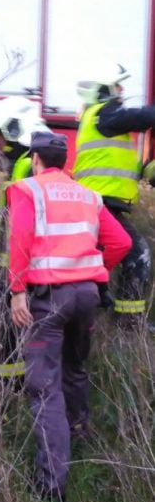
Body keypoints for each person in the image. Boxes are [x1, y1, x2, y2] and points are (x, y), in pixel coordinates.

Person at [7, 131, 132, 502]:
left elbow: (19, 239)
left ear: (35, 159)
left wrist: (17, 292)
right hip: (86, 296)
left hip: (49, 299)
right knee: (75, 370)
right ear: (65, 161)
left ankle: (51, 486)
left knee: (44, 389)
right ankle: (79, 437)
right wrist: (97, 269)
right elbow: (121, 242)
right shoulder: (88, 195)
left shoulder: (28, 190)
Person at [73, 65, 155, 329]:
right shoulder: (104, 114)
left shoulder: (101, 121)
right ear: (104, 90)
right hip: (100, 203)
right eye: (118, 88)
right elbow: (143, 116)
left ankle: (97, 309)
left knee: (101, 258)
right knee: (137, 253)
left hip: (100, 203)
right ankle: (128, 322)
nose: (122, 94)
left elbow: (123, 166)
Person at [0, 97, 52, 386]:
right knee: (4, 325)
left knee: (8, 328)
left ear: (13, 129)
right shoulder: (21, 163)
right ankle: (13, 384)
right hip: (14, 265)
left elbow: (22, 222)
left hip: (21, 267)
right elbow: (5, 213)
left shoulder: (26, 166)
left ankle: (12, 387)